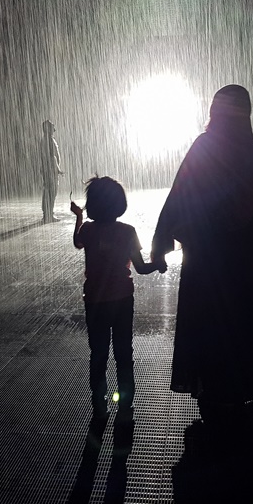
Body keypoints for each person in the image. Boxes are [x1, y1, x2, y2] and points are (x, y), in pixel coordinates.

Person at [151, 85, 253, 421]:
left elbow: (179, 196)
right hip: (242, 258)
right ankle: (239, 386)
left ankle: (211, 385)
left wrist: (161, 243)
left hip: (205, 255)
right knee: (241, 321)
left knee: (207, 321)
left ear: (214, 113)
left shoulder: (203, 148)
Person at [71, 176, 160, 422]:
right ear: (120, 204)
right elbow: (141, 268)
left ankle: (99, 403)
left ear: (93, 204)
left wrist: (78, 217)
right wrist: (159, 264)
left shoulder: (88, 230)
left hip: (95, 302)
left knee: (98, 353)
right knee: (123, 352)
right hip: (122, 300)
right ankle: (126, 402)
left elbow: (77, 242)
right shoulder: (128, 232)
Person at [41, 119, 64, 223]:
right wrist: (57, 169)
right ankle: (48, 214)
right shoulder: (49, 141)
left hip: (48, 169)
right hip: (50, 170)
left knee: (48, 191)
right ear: (48, 129)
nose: (54, 129)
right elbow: (52, 157)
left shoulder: (45, 140)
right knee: (51, 192)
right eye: (52, 127)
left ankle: (47, 214)